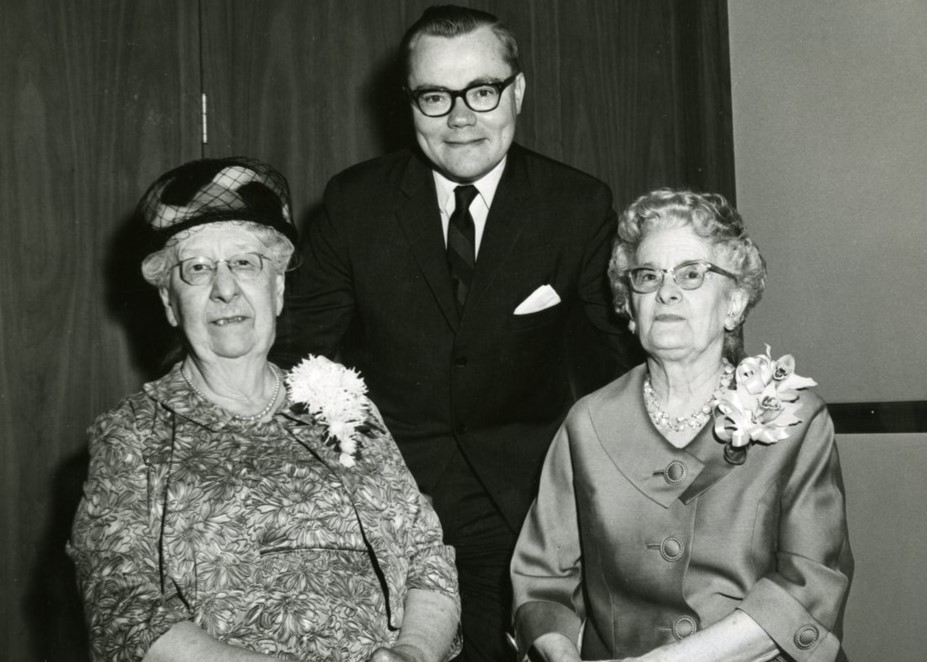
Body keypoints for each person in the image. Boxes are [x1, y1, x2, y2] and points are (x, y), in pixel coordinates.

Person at [273, 6, 640, 660]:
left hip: (527, 511)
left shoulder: (574, 205)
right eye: (435, 97)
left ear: (516, 92)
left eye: (482, 91)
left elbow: (620, 364)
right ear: (409, 104)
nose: (461, 118)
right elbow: (301, 353)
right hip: (389, 505)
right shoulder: (356, 202)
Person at [67, 157, 460, 662]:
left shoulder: (341, 404)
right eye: (198, 269)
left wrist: (412, 654)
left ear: (276, 289)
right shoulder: (133, 435)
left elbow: (427, 556)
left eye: (245, 263)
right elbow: (123, 612)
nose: (225, 288)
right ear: (169, 301)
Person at [511, 189, 854, 661]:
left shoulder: (795, 419)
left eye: (691, 274)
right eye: (647, 276)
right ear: (629, 308)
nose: (665, 291)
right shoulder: (587, 423)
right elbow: (541, 583)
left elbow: (809, 586)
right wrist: (560, 653)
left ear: (734, 303)